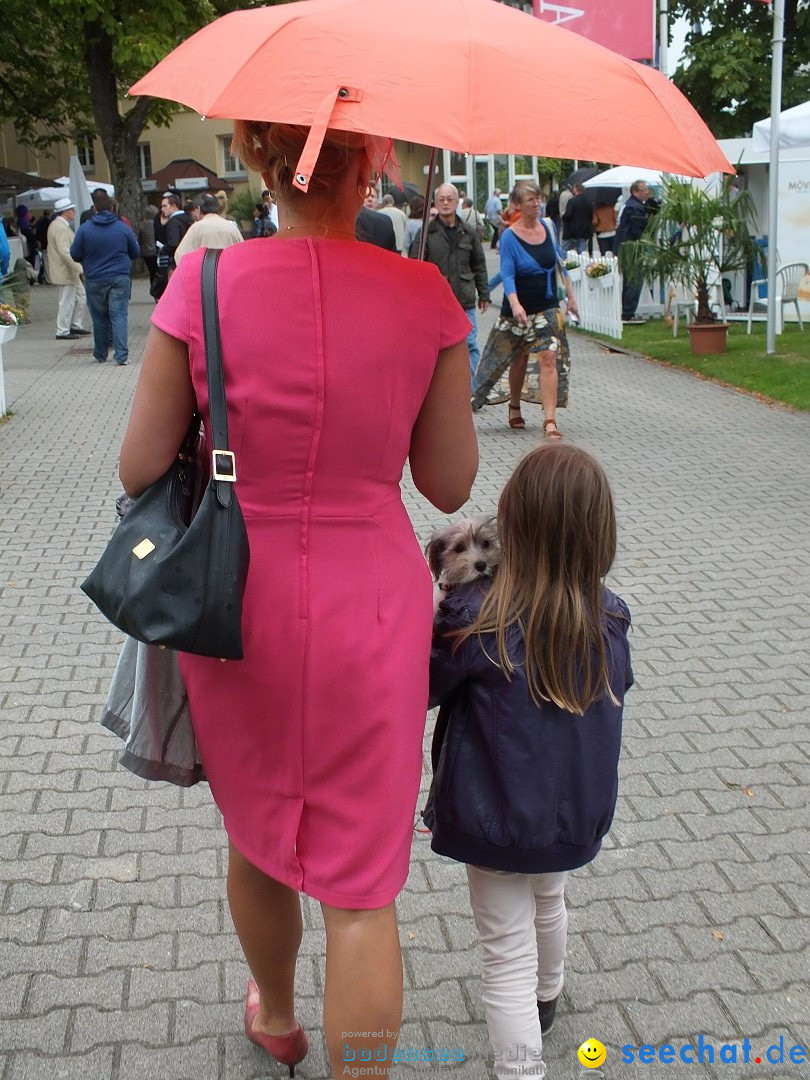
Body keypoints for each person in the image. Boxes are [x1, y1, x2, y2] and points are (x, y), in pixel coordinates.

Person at [117, 121, 478, 1080]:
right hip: (373, 605)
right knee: (361, 888)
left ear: (258, 160)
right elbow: (446, 483)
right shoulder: (427, 295)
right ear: (373, 163)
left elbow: (138, 463)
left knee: (262, 829)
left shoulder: (203, 290)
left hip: (238, 604)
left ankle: (276, 1014)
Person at [426, 443, 633, 1080]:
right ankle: (548, 996)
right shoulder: (609, 616)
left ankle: (521, 1066)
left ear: (510, 528)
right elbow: (619, 687)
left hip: (495, 816)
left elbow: (424, 688)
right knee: (551, 899)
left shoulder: (476, 616)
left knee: (504, 951)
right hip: (572, 813)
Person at [472, 180, 578, 437]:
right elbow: (507, 274)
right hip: (517, 309)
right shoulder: (509, 236)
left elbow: (559, 264)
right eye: (530, 200)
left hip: (547, 306)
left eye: (538, 198)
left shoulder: (549, 227)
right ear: (517, 205)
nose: (536, 203)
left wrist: (571, 298)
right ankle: (514, 404)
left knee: (548, 357)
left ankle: (549, 419)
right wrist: (516, 303)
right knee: (517, 358)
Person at [409, 183, 489, 379]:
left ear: (457, 202)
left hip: (464, 298)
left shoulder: (469, 231)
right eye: (441, 199)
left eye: (450, 199)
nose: (446, 203)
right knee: (438, 347)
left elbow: (479, 263)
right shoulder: (427, 232)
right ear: (435, 203)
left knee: (469, 345)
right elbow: (414, 265)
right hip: (436, 301)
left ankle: (469, 393)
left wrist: (484, 293)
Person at [70, 191, 139, 365]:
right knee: (119, 315)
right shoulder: (123, 227)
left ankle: (100, 354)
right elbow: (135, 251)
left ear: (94, 208)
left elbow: (75, 253)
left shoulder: (84, 229)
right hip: (119, 277)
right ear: (110, 207)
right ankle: (121, 355)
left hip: (95, 277)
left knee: (99, 317)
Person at [46, 198, 90, 341]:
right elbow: (65, 252)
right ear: (65, 211)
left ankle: (75, 324)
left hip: (68, 271)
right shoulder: (60, 227)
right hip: (65, 271)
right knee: (67, 301)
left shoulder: (59, 225)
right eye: (72, 209)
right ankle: (62, 330)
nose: (75, 212)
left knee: (80, 296)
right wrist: (79, 268)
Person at [616, 180, 652, 323]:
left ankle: (627, 311)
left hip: (625, 246)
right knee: (634, 280)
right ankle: (629, 312)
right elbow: (638, 230)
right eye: (644, 189)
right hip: (633, 248)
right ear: (635, 191)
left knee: (629, 279)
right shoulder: (635, 208)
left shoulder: (628, 205)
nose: (646, 192)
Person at [173, 193, 244, 263]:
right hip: (229, 270)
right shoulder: (231, 227)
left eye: (194, 210)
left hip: (205, 272)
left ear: (198, 208)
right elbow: (242, 252)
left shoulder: (196, 228)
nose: (193, 214)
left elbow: (181, 255)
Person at [355, 183, 397, 250]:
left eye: (373, 196)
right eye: (366, 196)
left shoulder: (385, 221)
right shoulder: (354, 221)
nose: (370, 199)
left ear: (377, 200)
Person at [561, 183, 593, 255]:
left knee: (563, 252)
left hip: (570, 232)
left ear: (576, 189)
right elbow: (591, 216)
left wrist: (563, 216)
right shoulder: (588, 202)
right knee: (582, 253)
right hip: (583, 231)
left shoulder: (572, 201)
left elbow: (568, 215)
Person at [138, 205, 159, 291]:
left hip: (146, 252)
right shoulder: (158, 224)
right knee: (158, 272)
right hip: (157, 251)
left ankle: (153, 287)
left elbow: (140, 240)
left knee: (152, 272)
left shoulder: (142, 226)